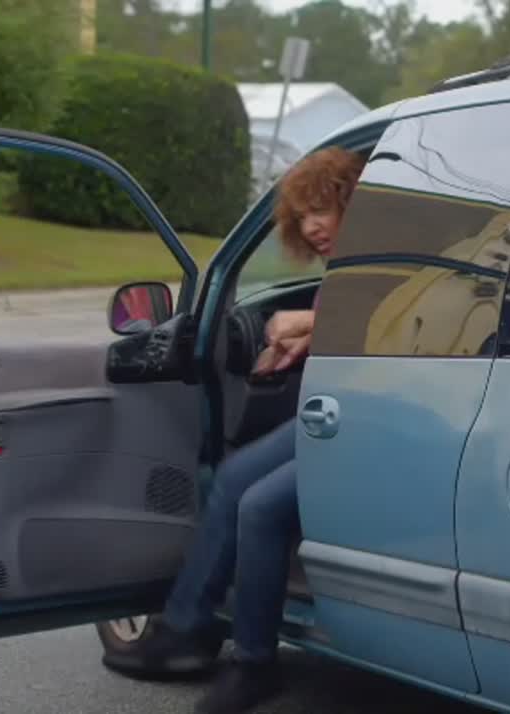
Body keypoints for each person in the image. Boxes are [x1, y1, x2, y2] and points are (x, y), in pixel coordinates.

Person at [103, 147, 367, 714]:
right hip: (331, 413)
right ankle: (185, 630)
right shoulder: (345, 267)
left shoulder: (389, 261)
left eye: (321, 209)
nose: (311, 227)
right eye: (302, 217)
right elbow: (354, 335)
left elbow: (390, 320)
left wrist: (310, 320)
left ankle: (254, 665)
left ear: (353, 201)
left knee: (260, 508)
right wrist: (301, 343)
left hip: (371, 425)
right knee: (232, 477)